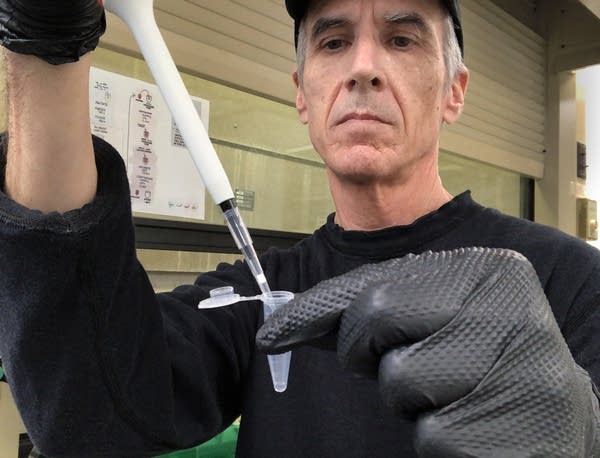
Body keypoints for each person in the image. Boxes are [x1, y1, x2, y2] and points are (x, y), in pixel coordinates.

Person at [0, 0, 598, 457]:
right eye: (334, 41)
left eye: (401, 38)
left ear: (454, 92)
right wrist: (46, 44)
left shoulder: (566, 280)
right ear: (303, 96)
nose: (364, 67)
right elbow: (85, 407)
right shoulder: (264, 295)